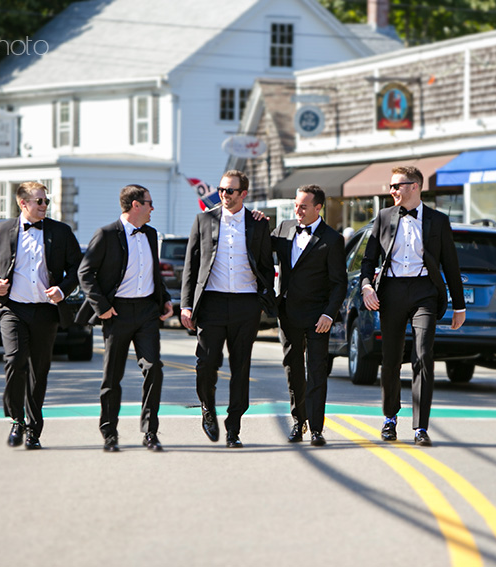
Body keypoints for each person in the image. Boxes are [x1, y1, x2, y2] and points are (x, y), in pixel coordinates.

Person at [359, 165, 466, 446]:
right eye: (391, 186)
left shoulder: (438, 220)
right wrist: (367, 286)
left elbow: (451, 265)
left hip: (424, 292)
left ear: (415, 186)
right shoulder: (383, 217)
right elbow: (368, 260)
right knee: (391, 359)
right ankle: (390, 418)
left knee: (422, 356)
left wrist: (459, 305)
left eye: (397, 186)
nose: (392, 191)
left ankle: (420, 427)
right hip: (391, 292)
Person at [0, 181, 82, 450]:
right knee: (14, 361)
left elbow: (77, 267)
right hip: (13, 308)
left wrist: (63, 289)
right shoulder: (2, 230)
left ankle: (34, 430)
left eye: (46, 201)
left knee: (39, 371)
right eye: (39, 201)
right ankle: (16, 419)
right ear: (22, 203)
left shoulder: (60, 232)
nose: (44, 206)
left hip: (46, 311)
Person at [180, 170, 276, 448]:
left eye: (230, 191)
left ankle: (234, 427)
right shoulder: (204, 220)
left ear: (243, 194)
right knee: (207, 363)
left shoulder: (257, 224)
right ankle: (207, 407)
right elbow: (191, 266)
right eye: (222, 190)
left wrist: (262, 299)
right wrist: (186, 305)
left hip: (246, 304)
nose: (224, 195)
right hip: (211, 302)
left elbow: (266, 267)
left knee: (240, 368)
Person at [76, 184, 173, 452]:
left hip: (147, 314)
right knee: (112, 376)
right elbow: (85, 273)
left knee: (154, 368)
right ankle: (109, 432)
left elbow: (151, 272)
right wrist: (102, 306)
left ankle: (150, 432)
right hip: (116, 313)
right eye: (149, 203)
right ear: (135, 205)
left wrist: (164, 299)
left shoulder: (151, 234)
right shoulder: (106, 234)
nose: (153, 208)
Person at [271, 185, 347, 446]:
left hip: (318, 317)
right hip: (288, 313)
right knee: (293, 370)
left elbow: (339, 283)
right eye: (296, 205)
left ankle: (316, 428)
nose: (297, 210)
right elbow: (260, 248)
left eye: (303, 206)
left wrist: (329, 314)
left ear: (318, 208)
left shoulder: (333, 239)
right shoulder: (283, 228)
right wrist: (254, 220)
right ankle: (298, 421)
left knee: (316, 371)